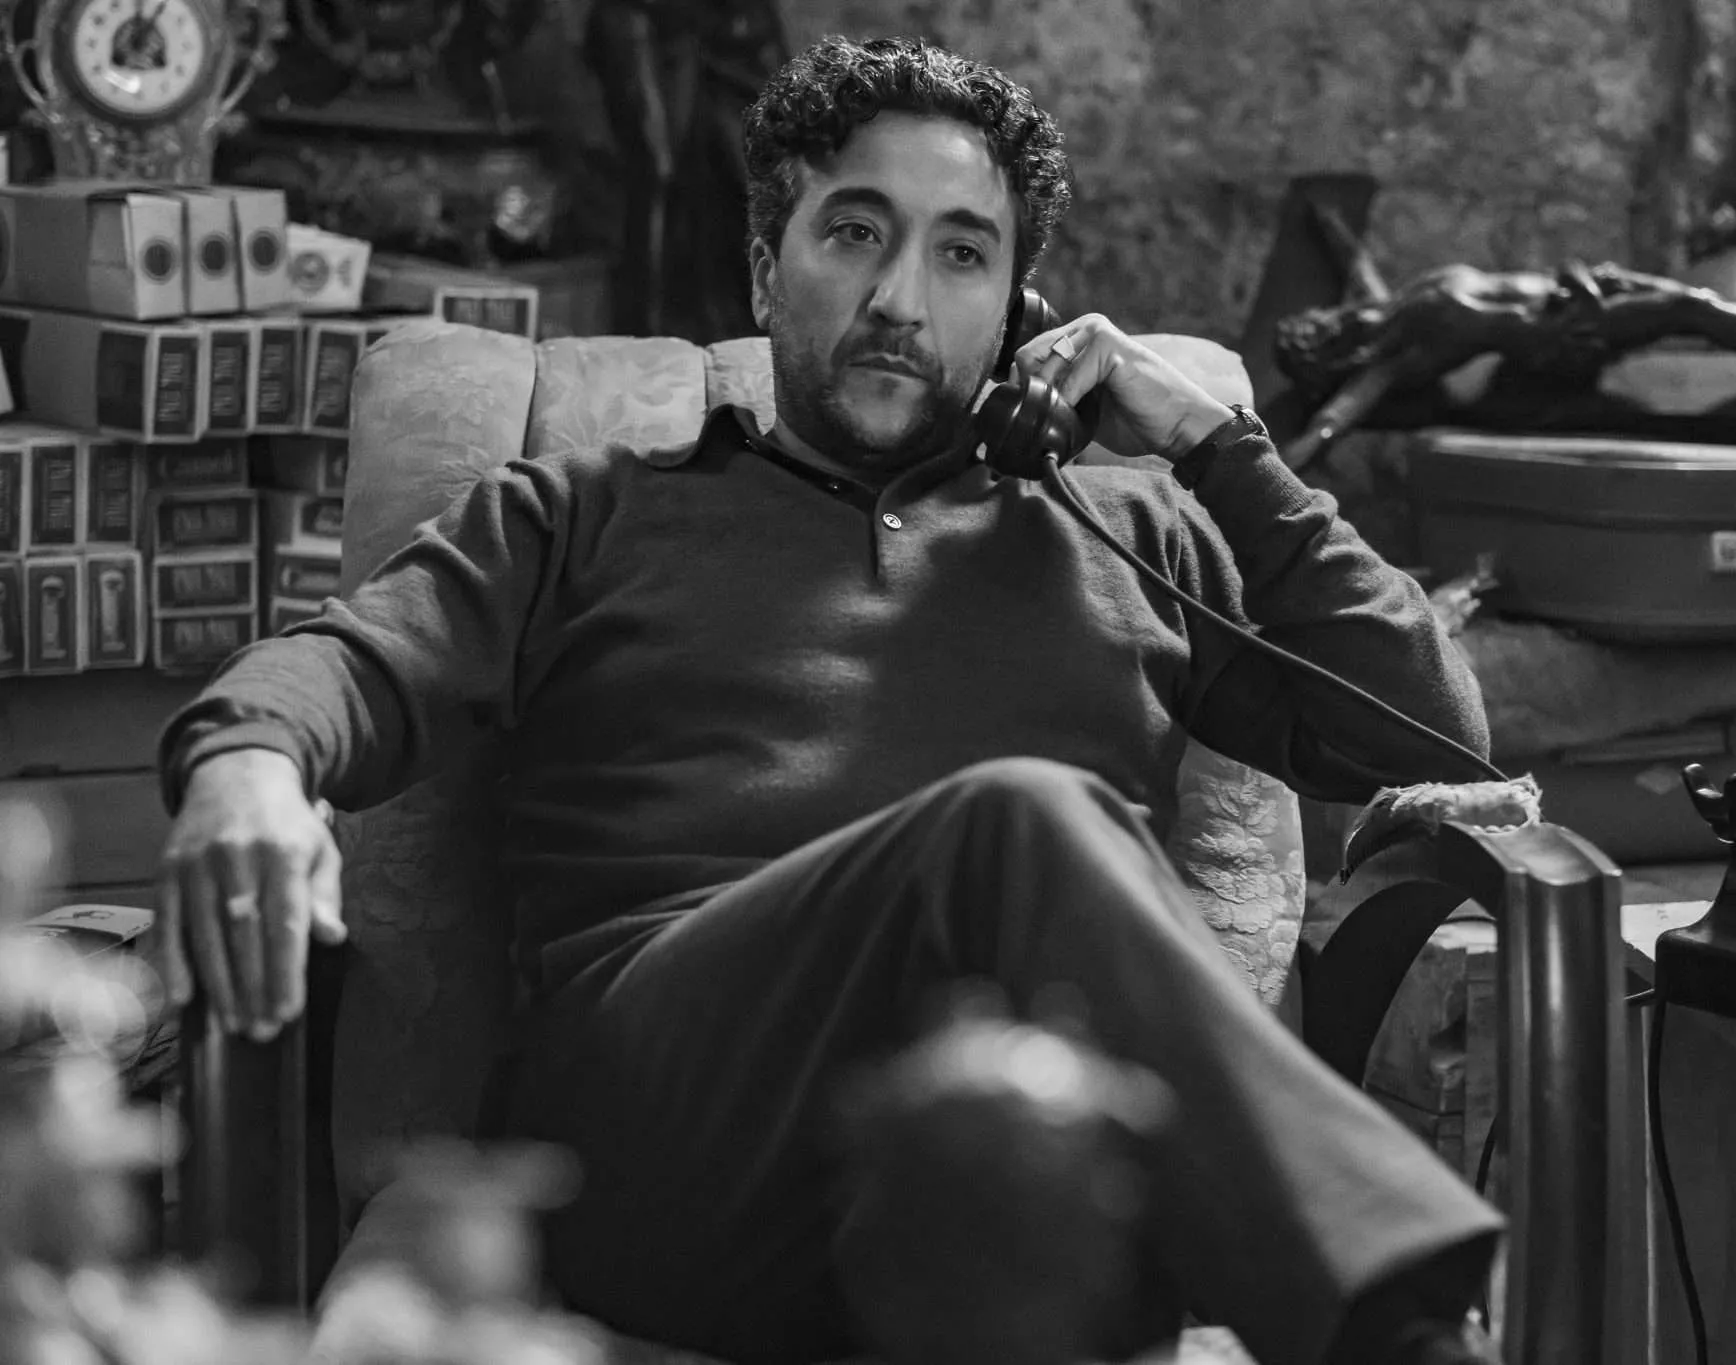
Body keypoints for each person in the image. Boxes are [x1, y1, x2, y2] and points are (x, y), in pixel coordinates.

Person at [154, 35, 1504, 1365]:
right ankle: (1405, 1340)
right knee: (1017, 821)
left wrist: (1219, 448)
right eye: (856, 233)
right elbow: (346, 663)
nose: (901, 299)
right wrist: (246, 765)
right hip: (669, 1144)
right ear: (765, 266)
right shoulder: (587, 513)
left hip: (1019, 1175)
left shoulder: (1131, 530)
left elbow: (1434, 738)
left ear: (1022, 315)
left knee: (1027, 1056)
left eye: (962, 255)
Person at [1274, 259, 1736, 468]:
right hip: (1568, 335)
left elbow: (1353, 262)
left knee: (1687, 305)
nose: (1336, 316)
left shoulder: (1403, 296)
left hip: (1577, 288)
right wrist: (1278, 461)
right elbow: (1342, 413)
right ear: (1339, 351)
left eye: (1324, 316)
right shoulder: (1402, 349)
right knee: (1688, 308)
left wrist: (1329, 224)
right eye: (1327, 331)